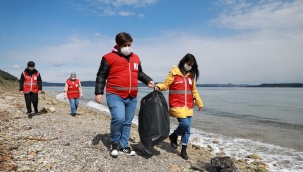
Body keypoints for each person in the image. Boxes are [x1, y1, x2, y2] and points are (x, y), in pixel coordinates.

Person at [95, 32, 155, 157]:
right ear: (117, 44)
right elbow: (101, 75)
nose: (128, 47)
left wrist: (148, 80)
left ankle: (124, 146)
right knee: (118, 119)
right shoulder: (108, 57)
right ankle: (114, 143)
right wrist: (99, 92)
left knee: (127, 122)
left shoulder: (136, 58)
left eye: (129, 45)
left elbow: (139, 73)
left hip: (132, 96)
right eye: (125, 45)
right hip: (114, 94)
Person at [155, 53, 203, 160]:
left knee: (187, 130)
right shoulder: (174, 73)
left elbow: (194, 91)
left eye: (192, 65)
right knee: (185, 124)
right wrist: (158, 86)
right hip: (177, 105)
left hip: (189, 106)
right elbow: (166, 85)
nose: (190, 66)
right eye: (188, 63)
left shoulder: (191, 76)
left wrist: (199, 103)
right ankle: (174, 135)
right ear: (183, 61)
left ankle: (183, 151)